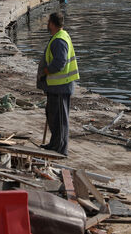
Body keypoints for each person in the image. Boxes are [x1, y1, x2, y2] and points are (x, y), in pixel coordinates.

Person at [37, 12, 79, 155]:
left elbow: (60, 63)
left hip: (60, 86)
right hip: (55, 87)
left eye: (48, 22)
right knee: (53, 116)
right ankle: (54, 144)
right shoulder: (58, 37)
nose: (47, 25)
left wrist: (47, 70)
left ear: (53, 24)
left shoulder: (59, 40)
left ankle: (60, 148)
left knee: (60, 119)